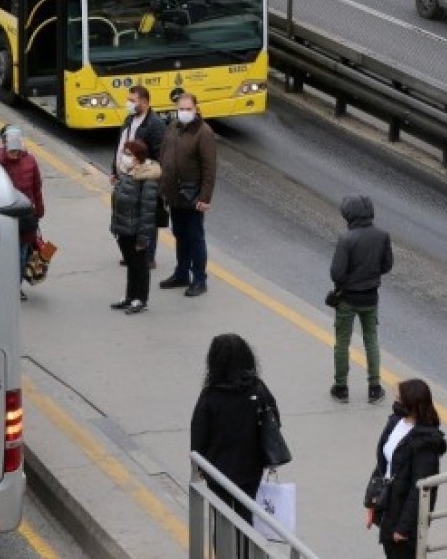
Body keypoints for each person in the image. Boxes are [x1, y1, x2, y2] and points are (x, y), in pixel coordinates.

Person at [191, 333, 280, 556]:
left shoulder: (211, 395)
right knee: (245, 517)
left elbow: (198, 435)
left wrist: (199, 466)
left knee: (221, 520)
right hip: (250, 471)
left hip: (218, 473)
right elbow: (274, 421)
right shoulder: (258, 389)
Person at [366, 379, 447, 559]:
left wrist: (403, 527)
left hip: (403, 516)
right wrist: (372, 504)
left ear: (411, 403)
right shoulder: (396, 422)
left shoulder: (426, 442)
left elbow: (420, 489)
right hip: (389, 507)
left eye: (399, 398)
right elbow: (383, 464)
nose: (396, 401)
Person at [330, 194, 393, 404]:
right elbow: (387, 266)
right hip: (370, 298)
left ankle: (341, 388)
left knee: (342, 343)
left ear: (349, 215)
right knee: (371, 341)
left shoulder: (346, 239)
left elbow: (337, 274)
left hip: (347, 299)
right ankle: (374, 388)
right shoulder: (382, 236)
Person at [159, 93, 217, 298]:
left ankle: (199, 279)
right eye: (180, 108)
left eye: (187, 109)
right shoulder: (174, 126)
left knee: (195, 237)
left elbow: (209, 169)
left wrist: (205, 197)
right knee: (180, 234)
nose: (183, 112)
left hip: (192, 195)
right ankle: (181, 273)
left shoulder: (203, 132)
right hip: (175, 194)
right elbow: (164, 153)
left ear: (195, 109)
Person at [112, 85, 166, 268]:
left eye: (132, 100)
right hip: (126, 177)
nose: (129, 103)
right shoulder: (129, 120)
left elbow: (160, 154)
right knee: (129, 216)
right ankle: (130, 253)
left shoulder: (155, 124)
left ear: (144, 102)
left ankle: (148, 257)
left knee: (146, 218)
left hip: (144, 178)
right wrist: (115, 170)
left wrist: (153, 177)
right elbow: (121, 146)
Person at [0, 125, 45, 300]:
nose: (14, 154)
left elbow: (36, 187)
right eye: (11, 150)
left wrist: (39, 209)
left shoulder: (30, 160)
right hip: (6, 216)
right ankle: (5, 286)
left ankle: (16, 287)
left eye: (17, 150)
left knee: (22, 255)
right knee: (7, 254)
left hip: (27, 217)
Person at [110, 139, 162, 314]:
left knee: (140, 265)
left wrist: (143, 238)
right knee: (131, 264)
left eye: (129, 154)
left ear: (138, 156)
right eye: (125, 153)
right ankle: (130, 297)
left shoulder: (147, 179)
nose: (125, 157)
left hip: (136, 230)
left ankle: (141, 299)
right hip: (124, 228)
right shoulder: (129, 172)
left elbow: (147, 212)